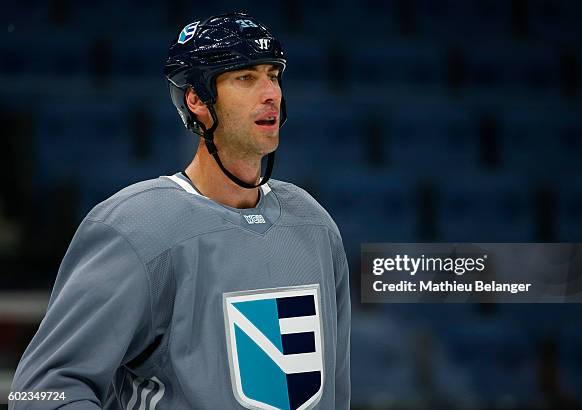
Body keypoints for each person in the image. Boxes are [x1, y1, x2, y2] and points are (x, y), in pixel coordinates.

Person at [10, 12, 351, 410]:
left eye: (273, 75)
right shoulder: (134, 228)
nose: (271, 92)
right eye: (246, 78)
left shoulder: (314, 224)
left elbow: (335, 392)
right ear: (197, 99)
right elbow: (40, 392)